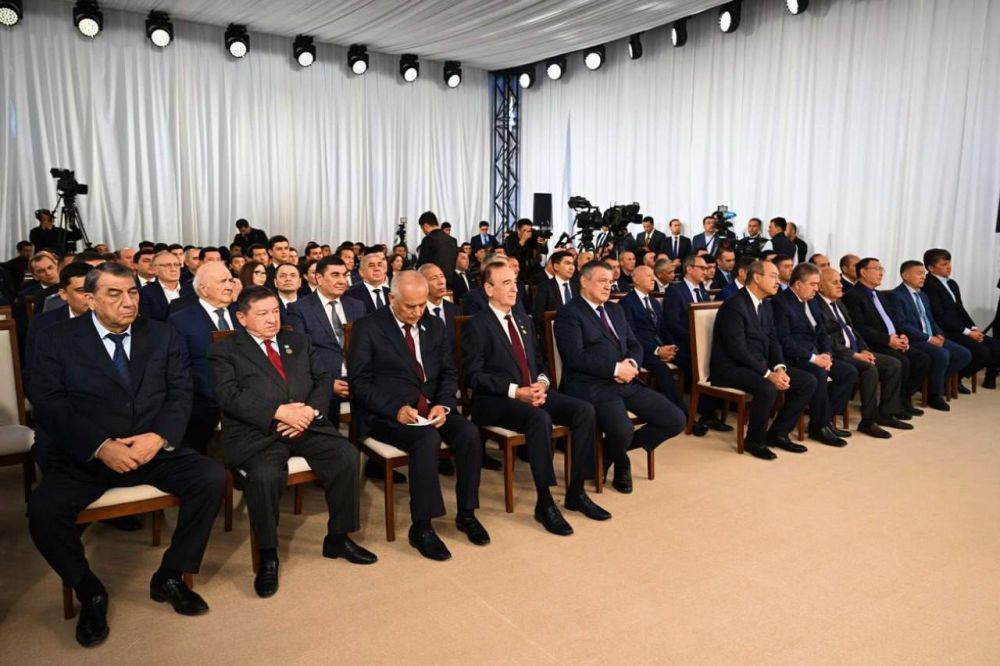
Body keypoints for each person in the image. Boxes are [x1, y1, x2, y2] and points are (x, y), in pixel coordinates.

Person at [27, 262, 225, 647]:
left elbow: (180, 392)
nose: (128, 301)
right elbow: (49, 404)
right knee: (43, 511)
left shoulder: (162, 334)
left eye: (132, 292)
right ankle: (90, 590)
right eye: (114, 294)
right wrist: (101, 446)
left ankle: (170, 575)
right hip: (85, 454)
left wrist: (159, 437)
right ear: (90, 299)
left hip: (151, 447)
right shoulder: (56, 339)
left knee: (212, 478)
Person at [210, 287, 375, 598]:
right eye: (263, 314)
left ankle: (338, 537)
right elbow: (229, 396)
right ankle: (268, 555)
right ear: (242, 318)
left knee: (346, 456)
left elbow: (322, 379)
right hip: (258, 432)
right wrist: (278, 412)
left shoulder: (297, 341)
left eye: (275, 311)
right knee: (264, 476)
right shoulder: (225, 350)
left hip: (306, 424)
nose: (272, 319)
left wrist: (308, 411)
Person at [349, 271, 486, 561]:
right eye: (410, 306)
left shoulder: (434, 324)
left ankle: (467, 513)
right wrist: (395, 409)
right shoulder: (368, 327)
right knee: (426, 440)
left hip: (431, 408)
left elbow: (448, 372)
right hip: (386, 414)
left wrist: (444, 405)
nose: (417, 312)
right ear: (391, 298)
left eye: (422, 304)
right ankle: (422, 527)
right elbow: (359, 384)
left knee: (469, 433)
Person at [464, 262, 610, 534]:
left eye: (515, 282)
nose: (514, 288)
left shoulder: (523, 320)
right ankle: (545, 502)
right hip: (496, 400)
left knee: (584, 411)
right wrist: (515, 391)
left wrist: (542, 383)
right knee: (539, 418)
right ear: (489, 289)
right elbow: (474, 376)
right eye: (506, 283)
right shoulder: (477, 325)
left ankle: (576, 491)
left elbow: (540, 361)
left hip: (532, 391)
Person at [553, 261, 687, 493]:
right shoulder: (569, 313)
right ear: (584, 281)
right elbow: (575, 358)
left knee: (675, 419)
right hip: (592, 386)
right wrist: (615, 369)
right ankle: (622, 463)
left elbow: (635, 345)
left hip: (627, 381)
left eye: (610, 282)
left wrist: (632, 364)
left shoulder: (615, 310)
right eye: (602, 281)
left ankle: (608, 453)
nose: (608, 286)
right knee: (622, 430)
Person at [709, 261, 817, 460]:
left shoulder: (766, 304)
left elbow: (773, 339)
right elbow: (737, 349)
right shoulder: (734, 305)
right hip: (730, 367)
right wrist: (768, 374)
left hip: (758, 365)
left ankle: (778, 433)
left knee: (807, 381)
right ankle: (754, 441)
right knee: (766, 387)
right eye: (773, 276)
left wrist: (780, 367)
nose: (778, 281)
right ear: (757, 278)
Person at [815, 268, 909, 438]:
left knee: (893, 364)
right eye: (835, 282)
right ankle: (868, 422)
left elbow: (854, 331)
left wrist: (864, 349)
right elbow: (826, 340)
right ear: (820, 286)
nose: (840, 285)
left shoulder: (839, 303)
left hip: (856, 350)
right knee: (869, 369)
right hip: (838, 355)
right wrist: (854, 355)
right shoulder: (816, 306)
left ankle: (886, 413)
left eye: (840, 281)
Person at [772, 263, 855, 446]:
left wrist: (827, 354)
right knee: (818, 373)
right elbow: (784, 341)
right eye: (813, 284)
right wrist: (814, 359)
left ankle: (825, 420)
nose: (816, 289)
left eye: (817, 284)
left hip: (816, 354)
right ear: (798, 284)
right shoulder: (781, 303)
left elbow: (823, 332)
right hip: (793, 357)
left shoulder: (812, 300)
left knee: (848, 372)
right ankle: (820, 427)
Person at [842, 257, 930, 415]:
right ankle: (889, 408)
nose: (881, 273)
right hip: (873, 343)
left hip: (891, 339)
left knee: (922, 359)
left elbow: (892, 320)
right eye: (877, 269)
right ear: (863, 272)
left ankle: (903, 399)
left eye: (881, 269)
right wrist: (888, 340)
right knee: (901, 361)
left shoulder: (879, 295)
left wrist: (901, 335)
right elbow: (860, 328)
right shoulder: (853, 296)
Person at [168, 262, 239, 453]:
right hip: (204, 404)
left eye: (231, 280)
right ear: (203, 289)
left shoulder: (243, 313)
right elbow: (180, 370)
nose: (229, 285)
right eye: (223, 281)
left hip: (249, 399)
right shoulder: (180, 321)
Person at [889, 260, 971, 407]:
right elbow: (901, 325)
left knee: (964, 354)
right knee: (942, 354)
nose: (923, 277)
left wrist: (938, 333)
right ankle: (934, 395)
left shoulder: (923, 295)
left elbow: (930, 319)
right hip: (914, 339)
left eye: (924, 274)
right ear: (905, 275)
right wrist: (928, 338)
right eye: (919, 273)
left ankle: (931, 383)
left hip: (930, 335)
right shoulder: (897, 295)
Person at [922, 248, 1000, 389]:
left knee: (996, 347)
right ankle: (949, 380)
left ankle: (957, 378)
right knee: (982, 352)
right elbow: (940, 316)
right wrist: (968, 332)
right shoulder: (928, 284)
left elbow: (961, 310)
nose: (949, 267)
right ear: (931, 268)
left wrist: (973, 328)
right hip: (945, 331)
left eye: (949, 263)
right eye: (944, 264)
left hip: (961, 329)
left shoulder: (951, 283)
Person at [619, 266, 686, 411]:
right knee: (662, 369)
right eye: (648, 275)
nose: (653, 279)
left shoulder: (654, 302)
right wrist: (657, 350)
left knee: (687, 358)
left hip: (661, 347)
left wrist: (671, 346)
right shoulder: (626, 303)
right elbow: (631, 335)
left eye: (653, 275)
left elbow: (663, 328)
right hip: (643, 350)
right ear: (636, 279)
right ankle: (680, 412)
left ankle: (702, 407)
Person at [140, 251, 193, 321]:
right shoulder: (144, 293)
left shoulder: (192, 290)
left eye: (176, 265)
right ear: (154, 269)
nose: (173, 269)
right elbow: (147, 322)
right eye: (167, 265)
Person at [531, 250, 578, 325]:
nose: (572, 267)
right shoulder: (544, 287)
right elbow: (538, 316)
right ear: (556, 266)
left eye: (573, 264)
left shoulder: (578, 286)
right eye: (567, 263)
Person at [419, 264, 459, 344]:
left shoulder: (455, 310)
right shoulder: (418, 312)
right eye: (434, 278)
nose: (441, 282)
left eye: (442, 276)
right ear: (422, 284)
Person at [416, 211, 459, 282]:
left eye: (422, 228)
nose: (423, 231)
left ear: (425, 226)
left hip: (433, 282)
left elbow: (421, 266)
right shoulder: (453, 240)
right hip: (450, 282)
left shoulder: (428, 239)